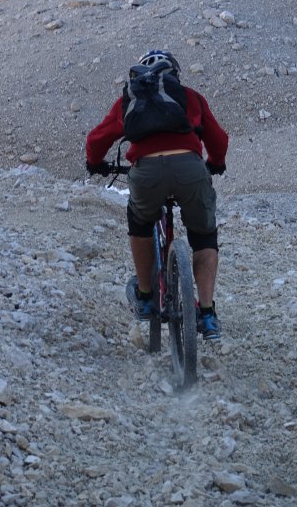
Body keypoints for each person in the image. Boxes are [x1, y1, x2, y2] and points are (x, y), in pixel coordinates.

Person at [85, 49, 228, 341]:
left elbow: (97, 139)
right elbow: (218, 139)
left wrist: (95, 163)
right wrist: (215, 163)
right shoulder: (190, 96)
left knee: (139, 222)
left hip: (147, 172)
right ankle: (208, 314)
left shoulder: (130, 98)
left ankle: (147, 298)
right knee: (204, 236)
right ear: (174, 75)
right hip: (190, 169)